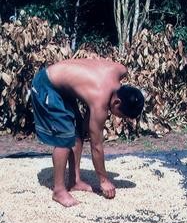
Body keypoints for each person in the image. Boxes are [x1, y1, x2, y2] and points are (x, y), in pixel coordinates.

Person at [31, 58, 144, 207]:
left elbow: (98, 74)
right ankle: (58, 190)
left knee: (77, 131)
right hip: (46, 84)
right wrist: (103, 180)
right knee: (64, 136)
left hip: (62, 87)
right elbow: (96, 145)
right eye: (120, 115)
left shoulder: (119, 70)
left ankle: (75, 180)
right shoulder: (99, 101)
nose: (118, 118)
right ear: (117, 103)